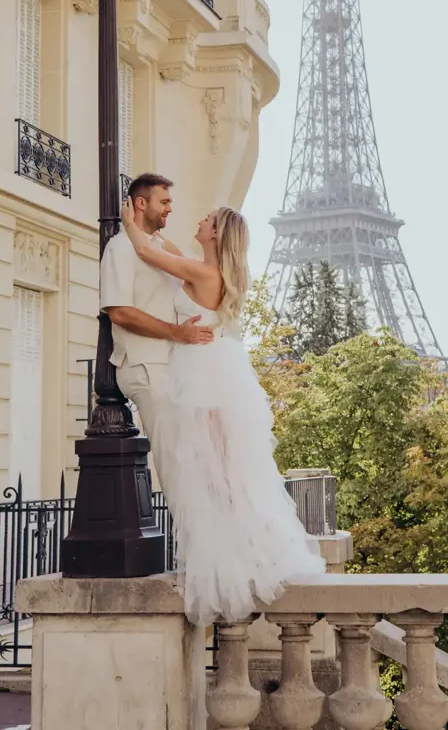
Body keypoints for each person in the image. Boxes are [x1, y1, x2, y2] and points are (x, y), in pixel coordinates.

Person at [119, 194, 326, 626]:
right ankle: (247, 550)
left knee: (212, 472)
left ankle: (233, 557)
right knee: (223, 470)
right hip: (219, 372)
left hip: (202, 377)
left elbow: (145, 252)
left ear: (216, 233)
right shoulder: (210, 270)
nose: (199, 219)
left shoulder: (202, 271)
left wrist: (128, 214)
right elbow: (168, 253)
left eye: (207, 218)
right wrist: (155, 230)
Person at [99, 173, 215, 489]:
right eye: (164, 202)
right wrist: (176, 333)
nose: (169, 209)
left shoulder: (158, 247)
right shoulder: (120, 248)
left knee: (194, 460)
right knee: (175, 463)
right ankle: (190, 535)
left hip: (173, 366)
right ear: (140, 203)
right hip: (146, 367)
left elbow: (174, 259)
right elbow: (119, 312)